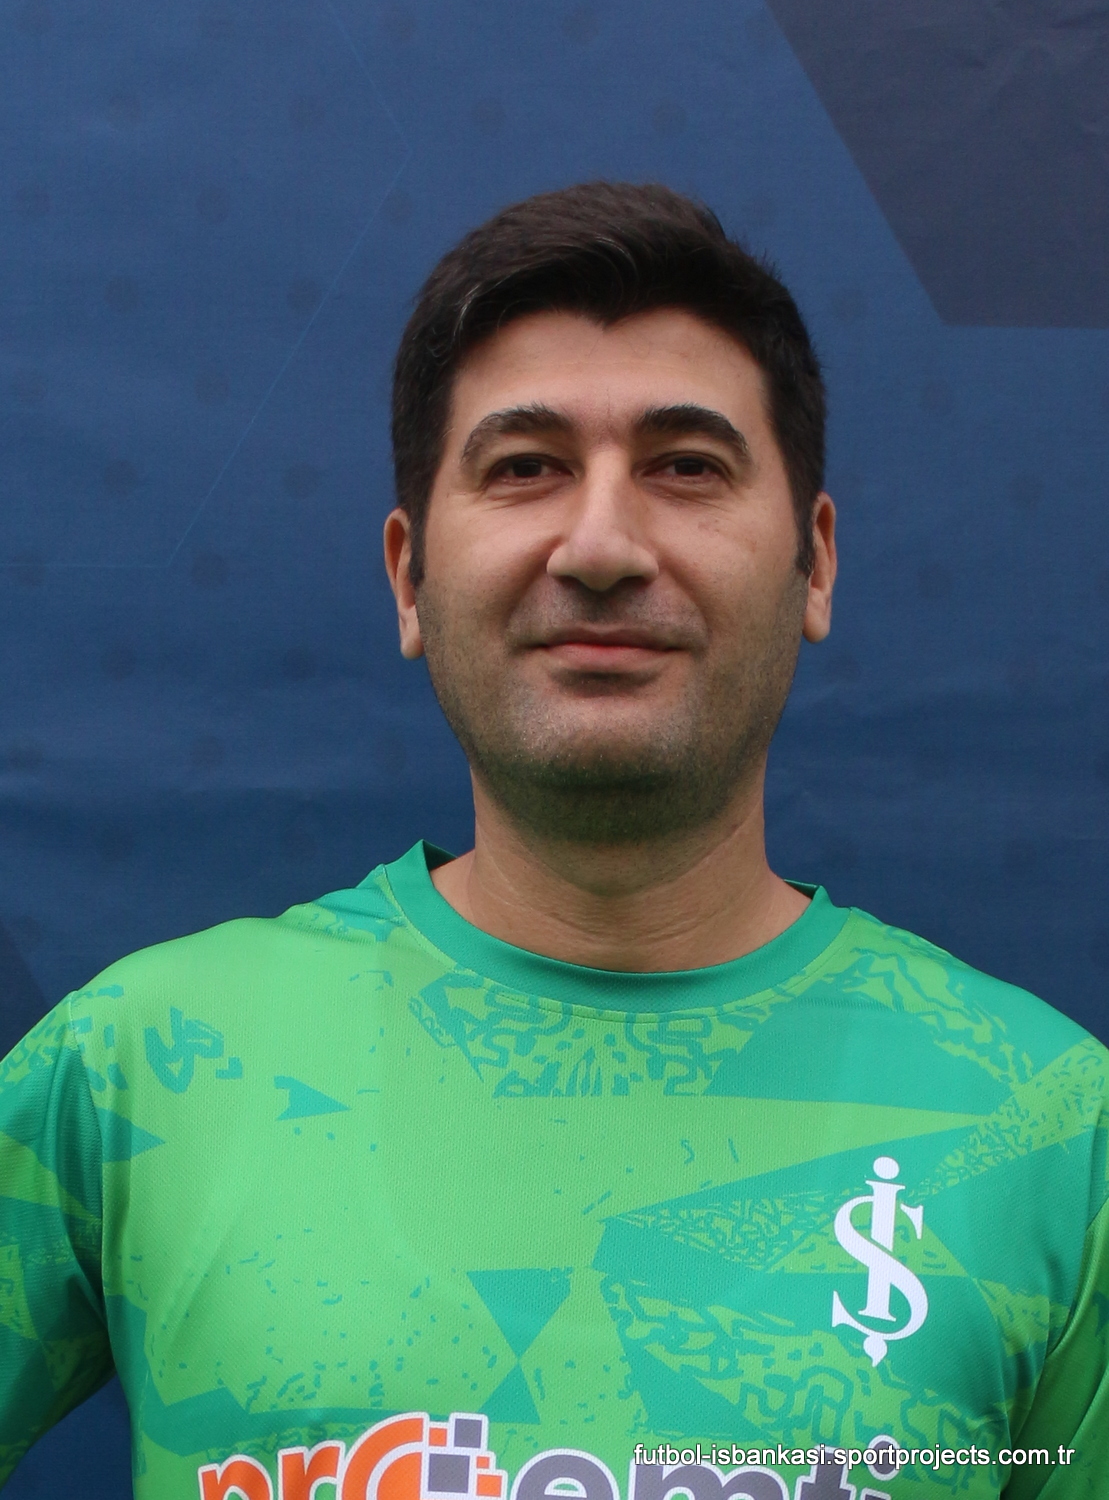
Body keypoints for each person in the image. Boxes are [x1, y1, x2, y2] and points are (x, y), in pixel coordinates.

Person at [0, 183, 1105, 1500]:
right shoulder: (141, 1066)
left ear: (813, 563)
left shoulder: (1054, 1129)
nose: (600, 547)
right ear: (410, 577)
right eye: (525, 467)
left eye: (685, 466)